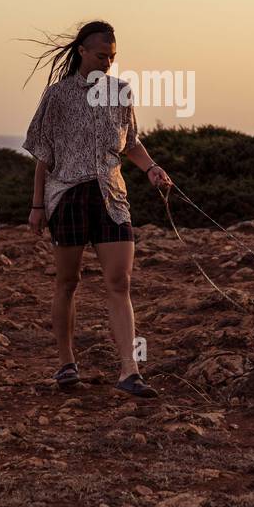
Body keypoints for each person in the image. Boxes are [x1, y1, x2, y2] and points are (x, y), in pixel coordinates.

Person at [22, 20, 172, 397]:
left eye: (113, 57)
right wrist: (37, 205)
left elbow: (131, 143)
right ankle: (66, 364)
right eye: (102, 56)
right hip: (68, 196)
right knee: (68, 282)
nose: (108, 63)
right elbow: (43, 155)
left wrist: (152, 169)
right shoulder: (57, 96)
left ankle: (129, 371)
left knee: (120, 282)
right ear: (83, 53)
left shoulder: (121, 92)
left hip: (112, 197)